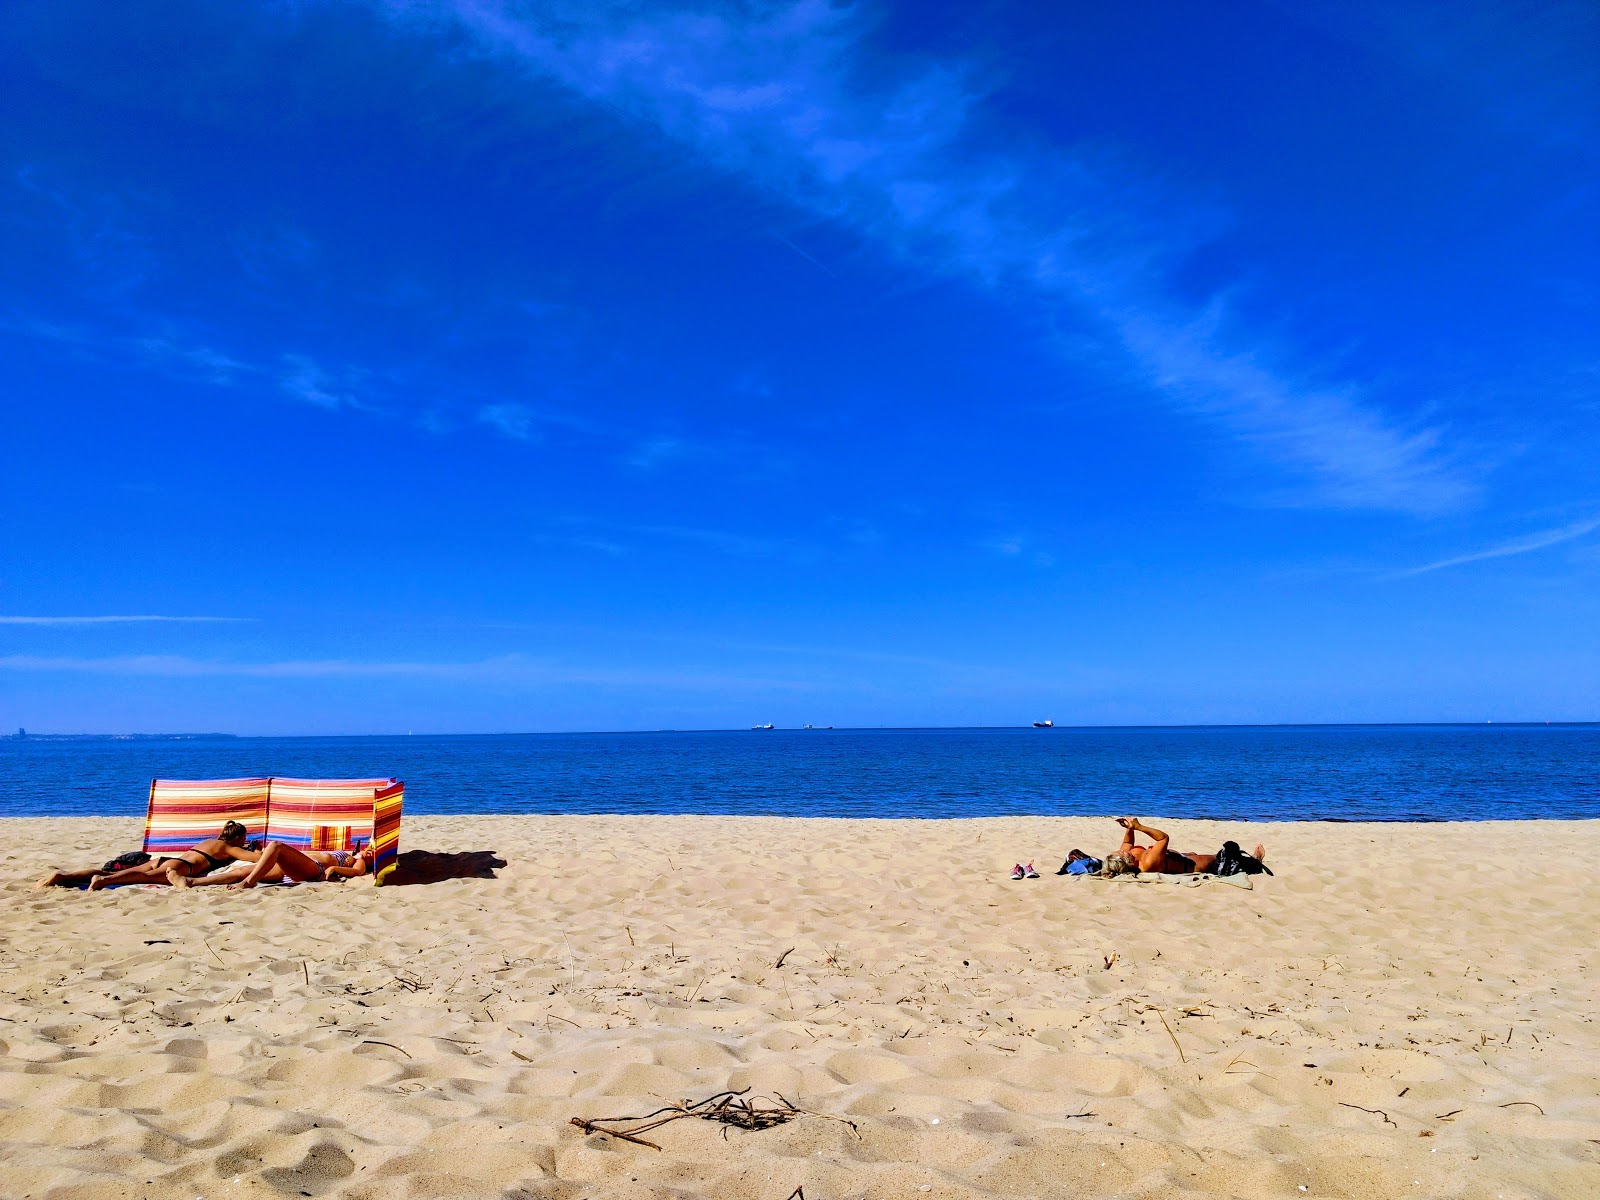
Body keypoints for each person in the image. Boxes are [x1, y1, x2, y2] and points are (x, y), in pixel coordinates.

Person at [79, 821, 262, 890]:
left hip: (164, 860)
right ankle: (102, 882)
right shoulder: (228, 848)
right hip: (180, 867)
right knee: (141, 878)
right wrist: (256, 850)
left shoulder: (209, 842)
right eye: (244, 838)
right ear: (237, 837)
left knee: (112, 873)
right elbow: (258, 859)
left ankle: (64, 877)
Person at [1108, 817, 1267, 875]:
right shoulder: (1147, 864)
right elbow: (1163, 838)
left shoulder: (1128, 854)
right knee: (1218, 858)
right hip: (1190, 866)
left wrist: (1129, 827)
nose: (1121, 850)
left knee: (1196, 853)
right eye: (1122, 853)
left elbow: (1128, 843)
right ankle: (1255, 861)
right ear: (1128, 862)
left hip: (1178, 857)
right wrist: (1139, 827)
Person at [217, 840, 375, 890]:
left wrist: (334, 868)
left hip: (313, 868)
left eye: (372, 856)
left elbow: (358, 872)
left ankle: (249, 883)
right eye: (369, 851)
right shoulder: (352, 854)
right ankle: (195, 882)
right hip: (298, 866)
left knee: (276, 846)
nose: (369, 854)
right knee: (241, 870)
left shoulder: (358, 861)